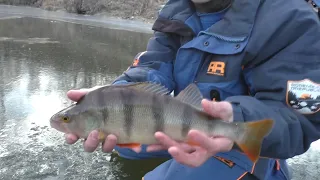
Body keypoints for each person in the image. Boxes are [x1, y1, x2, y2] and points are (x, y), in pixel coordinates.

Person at [64, 0, 320, 179]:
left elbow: (299, 116)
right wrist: (116, 94)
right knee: (126, 145)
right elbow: (155, 65)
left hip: (249, 145)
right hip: (189, 122)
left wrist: (237, 122)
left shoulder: (290, 18)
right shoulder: (177, 11)